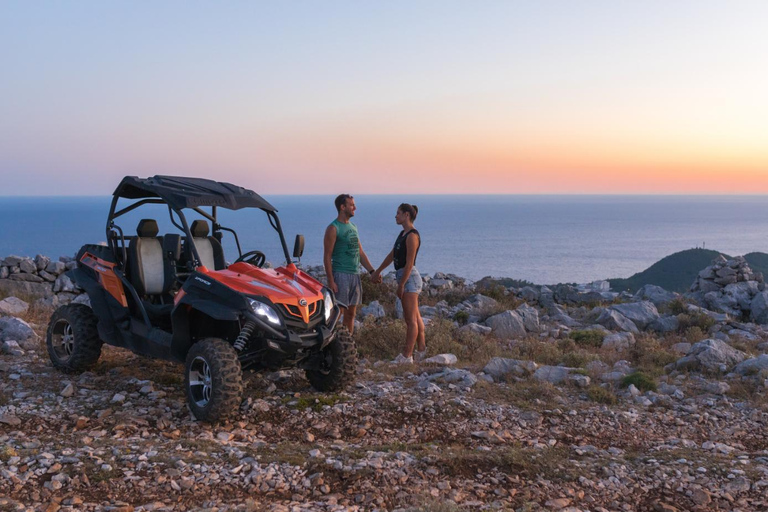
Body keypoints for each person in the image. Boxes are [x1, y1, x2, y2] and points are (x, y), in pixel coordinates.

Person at [371, 203, 425, 364]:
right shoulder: (403, 234)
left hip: (409, 278)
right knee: (416, 317)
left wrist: (401, 285)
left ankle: (407, 356)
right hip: (404, 276)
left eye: (398, 213)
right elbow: (393, 254)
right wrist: (378, 270)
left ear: (407, 215)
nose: (396, 216)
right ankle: (422, 350)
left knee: (410, 320)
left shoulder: (412, 236)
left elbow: (409, 263)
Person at [323, 194, 376, 335]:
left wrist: (372, 271)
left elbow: (360, 252)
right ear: (342, 207)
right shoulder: (333, 228)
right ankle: (331, 343)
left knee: (351, 314)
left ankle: (348, 343)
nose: (355, 208)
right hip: (341, 274)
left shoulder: (353, 227)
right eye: (352, 205)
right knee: (337, 313)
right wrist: (331, 280)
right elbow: (327, 256)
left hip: (354, 275)